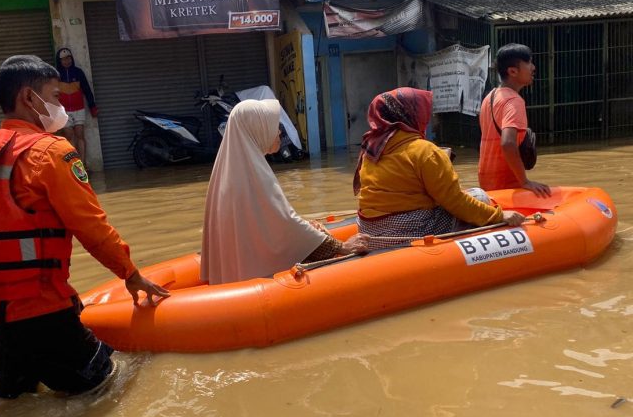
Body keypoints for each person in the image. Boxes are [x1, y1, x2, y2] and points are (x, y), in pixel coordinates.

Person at [0, 55, 168, 413]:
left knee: (13, 410)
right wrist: (131, 274)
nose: (62, 106)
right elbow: (91, 227)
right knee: (110, 387)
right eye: (56, 97)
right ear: (30, 99)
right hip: (41, 315)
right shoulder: (51, 152)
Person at [201, 98, 369, 285]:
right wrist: (342, 246)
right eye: (273, 126)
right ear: (257, 130)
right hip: (253, 285)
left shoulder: (227, 172)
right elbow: (284, 224)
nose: (279, 131)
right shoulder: (253, 173)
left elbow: (272, 224)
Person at [354, 87, 525, 247]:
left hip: (369, 231)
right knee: (479, 196)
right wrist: (499, 216)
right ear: (411, 114)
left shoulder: (370, 150)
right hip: (406, 232)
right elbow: (455, 202)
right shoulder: (424, 150)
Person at [478, 43, 551, 197]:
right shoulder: (514, 101)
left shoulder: (490, 97)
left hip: (487, 182)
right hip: (507, 185)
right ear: (512, 71)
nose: (533, 68)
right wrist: (525, 182)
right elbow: (508, 143)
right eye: (529, 62)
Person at [55, 47, 98, 167]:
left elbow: (87, 90)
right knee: (69, 135)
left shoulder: (78, 72)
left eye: (68, 58)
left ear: (71, 58)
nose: (66, 61)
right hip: (64, 111)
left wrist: (92, 106)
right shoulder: (56, 75)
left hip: (79, 109)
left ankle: (83, 164)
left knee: (80, 134)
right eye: (63, 59)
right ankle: (74, 164)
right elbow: (51, 94)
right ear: (59, 61)